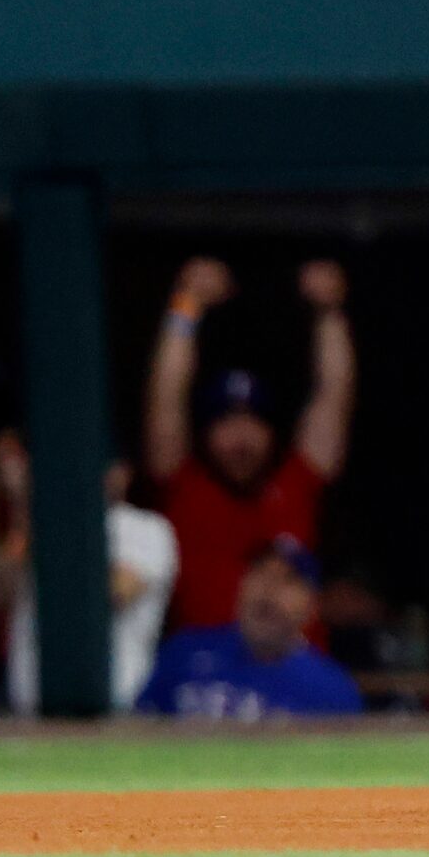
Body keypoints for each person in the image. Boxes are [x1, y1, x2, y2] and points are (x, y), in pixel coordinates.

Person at [143, 255, 355, 632]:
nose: (241, 437)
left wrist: (329, 312)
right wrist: (187, 302)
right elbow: (166, 395)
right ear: (205, 432)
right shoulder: (184, 485)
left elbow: (333, 392)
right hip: (207, 679)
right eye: (226, 421)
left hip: (291, 679)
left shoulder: (296, 483)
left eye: (254, 421)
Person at [0, 442, 181, 715]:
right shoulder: (33, 530)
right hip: (28, 712)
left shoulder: (144, 528)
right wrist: (25, 514)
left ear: (123, 473)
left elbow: (107, 596)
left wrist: (35, 509)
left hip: (118, 713)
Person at [136, 538, 361, 718]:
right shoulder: (184, 652)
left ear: (312, 604)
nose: (268, 589)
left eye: (288, 580)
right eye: (259, 572)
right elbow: (135, 730)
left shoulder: (331, 689)